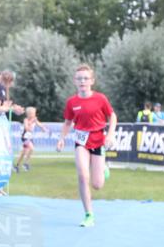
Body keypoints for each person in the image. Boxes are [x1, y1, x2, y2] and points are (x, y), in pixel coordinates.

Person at [56, 65, 116, 227]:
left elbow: (112, 116)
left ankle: (103, 167)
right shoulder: (72, 102)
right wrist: (62, 138)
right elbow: (68, 122)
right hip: (81, 141)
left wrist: (110, 134)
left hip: (98, 140)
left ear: (92, 81)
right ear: (75, 81)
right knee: (83, 176)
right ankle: (88, 214)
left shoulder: (100, 99)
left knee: (97, 185)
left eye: (86, 78)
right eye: (79, 78)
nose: (82, 81)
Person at [14, 106, 47, 172]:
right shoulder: (26, 120)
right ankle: (25, 163)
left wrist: (43, 128)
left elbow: (39, 124)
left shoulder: (34, 119)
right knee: (31, 148)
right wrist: (31, 122)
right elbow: (27, 128)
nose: (34, 115)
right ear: (28, 114)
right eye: (32, 113)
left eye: (34, 113)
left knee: (23, 152)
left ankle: (17, 165)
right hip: (25, 137)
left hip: (30, 137)